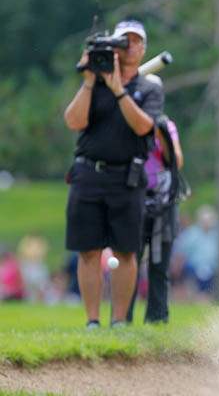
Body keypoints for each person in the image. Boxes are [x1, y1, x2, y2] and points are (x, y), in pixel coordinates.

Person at [63, 19, 164, 328]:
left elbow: (145, 126)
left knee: (126, 250)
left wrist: (120, 91)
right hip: (88, 174)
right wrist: (91, 81)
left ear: (144, 48)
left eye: (136, 42)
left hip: (127, 178)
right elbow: (73, 121)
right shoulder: (95, 85)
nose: (130, 47)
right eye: (124, 42)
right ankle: (92, 321)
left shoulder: (149, 88)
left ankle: (119, 321)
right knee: (88, 249)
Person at [127, 74, 184, 324]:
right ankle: (122, 319)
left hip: (163, 203)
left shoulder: (167, 126)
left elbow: (177, 161)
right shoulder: (129, 123)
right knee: (130, 261)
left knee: (159, 266)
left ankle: (158, 319)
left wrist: (162, 136)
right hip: (135, 200)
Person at [171, 205, 219, 302]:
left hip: (212, 268)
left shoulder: (216, 235)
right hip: (192, 267)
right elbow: (181, 251)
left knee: (208, 283)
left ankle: (204, 298)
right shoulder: (192, 234)